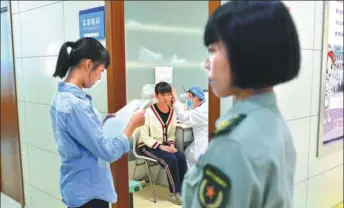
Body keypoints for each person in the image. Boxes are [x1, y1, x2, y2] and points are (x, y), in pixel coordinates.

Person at [182, 1, 300, 208]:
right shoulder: (272, 122)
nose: (206, 63)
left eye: (213, 50)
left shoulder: (234, 144)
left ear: (244, 54)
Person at [50, 37, 145, 208]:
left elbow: (80, 135)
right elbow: (108, 152)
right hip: (89, 194)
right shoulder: (76, 104)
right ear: (88, 65)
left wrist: (102, 123)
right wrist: (132, 125)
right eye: (100, 71)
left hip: (77, 186)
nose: (99, 77)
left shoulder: (60, 98)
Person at [138, 82, 187, 205]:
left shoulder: (172, 112)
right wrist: (161, 146)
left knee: (181, 156)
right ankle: (174, 193)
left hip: (164, 146)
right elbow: (144, 136)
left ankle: (184, 190)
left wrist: (170, 145)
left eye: (169, 94)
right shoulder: (148, 112)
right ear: (156, 96)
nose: (166, 98)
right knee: (171, 159)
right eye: (163, 95)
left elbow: (171, 133)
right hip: (147, 146)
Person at [172, 87, 208, 168]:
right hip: (204, 141)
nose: (188, 100)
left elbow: (185, 116)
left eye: (189, 98)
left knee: (189, 157)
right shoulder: (202, 106)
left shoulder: (200, 112)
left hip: (202, 144)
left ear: (197, 97)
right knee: (187, 153)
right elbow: (188, 110)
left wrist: (175, 98)